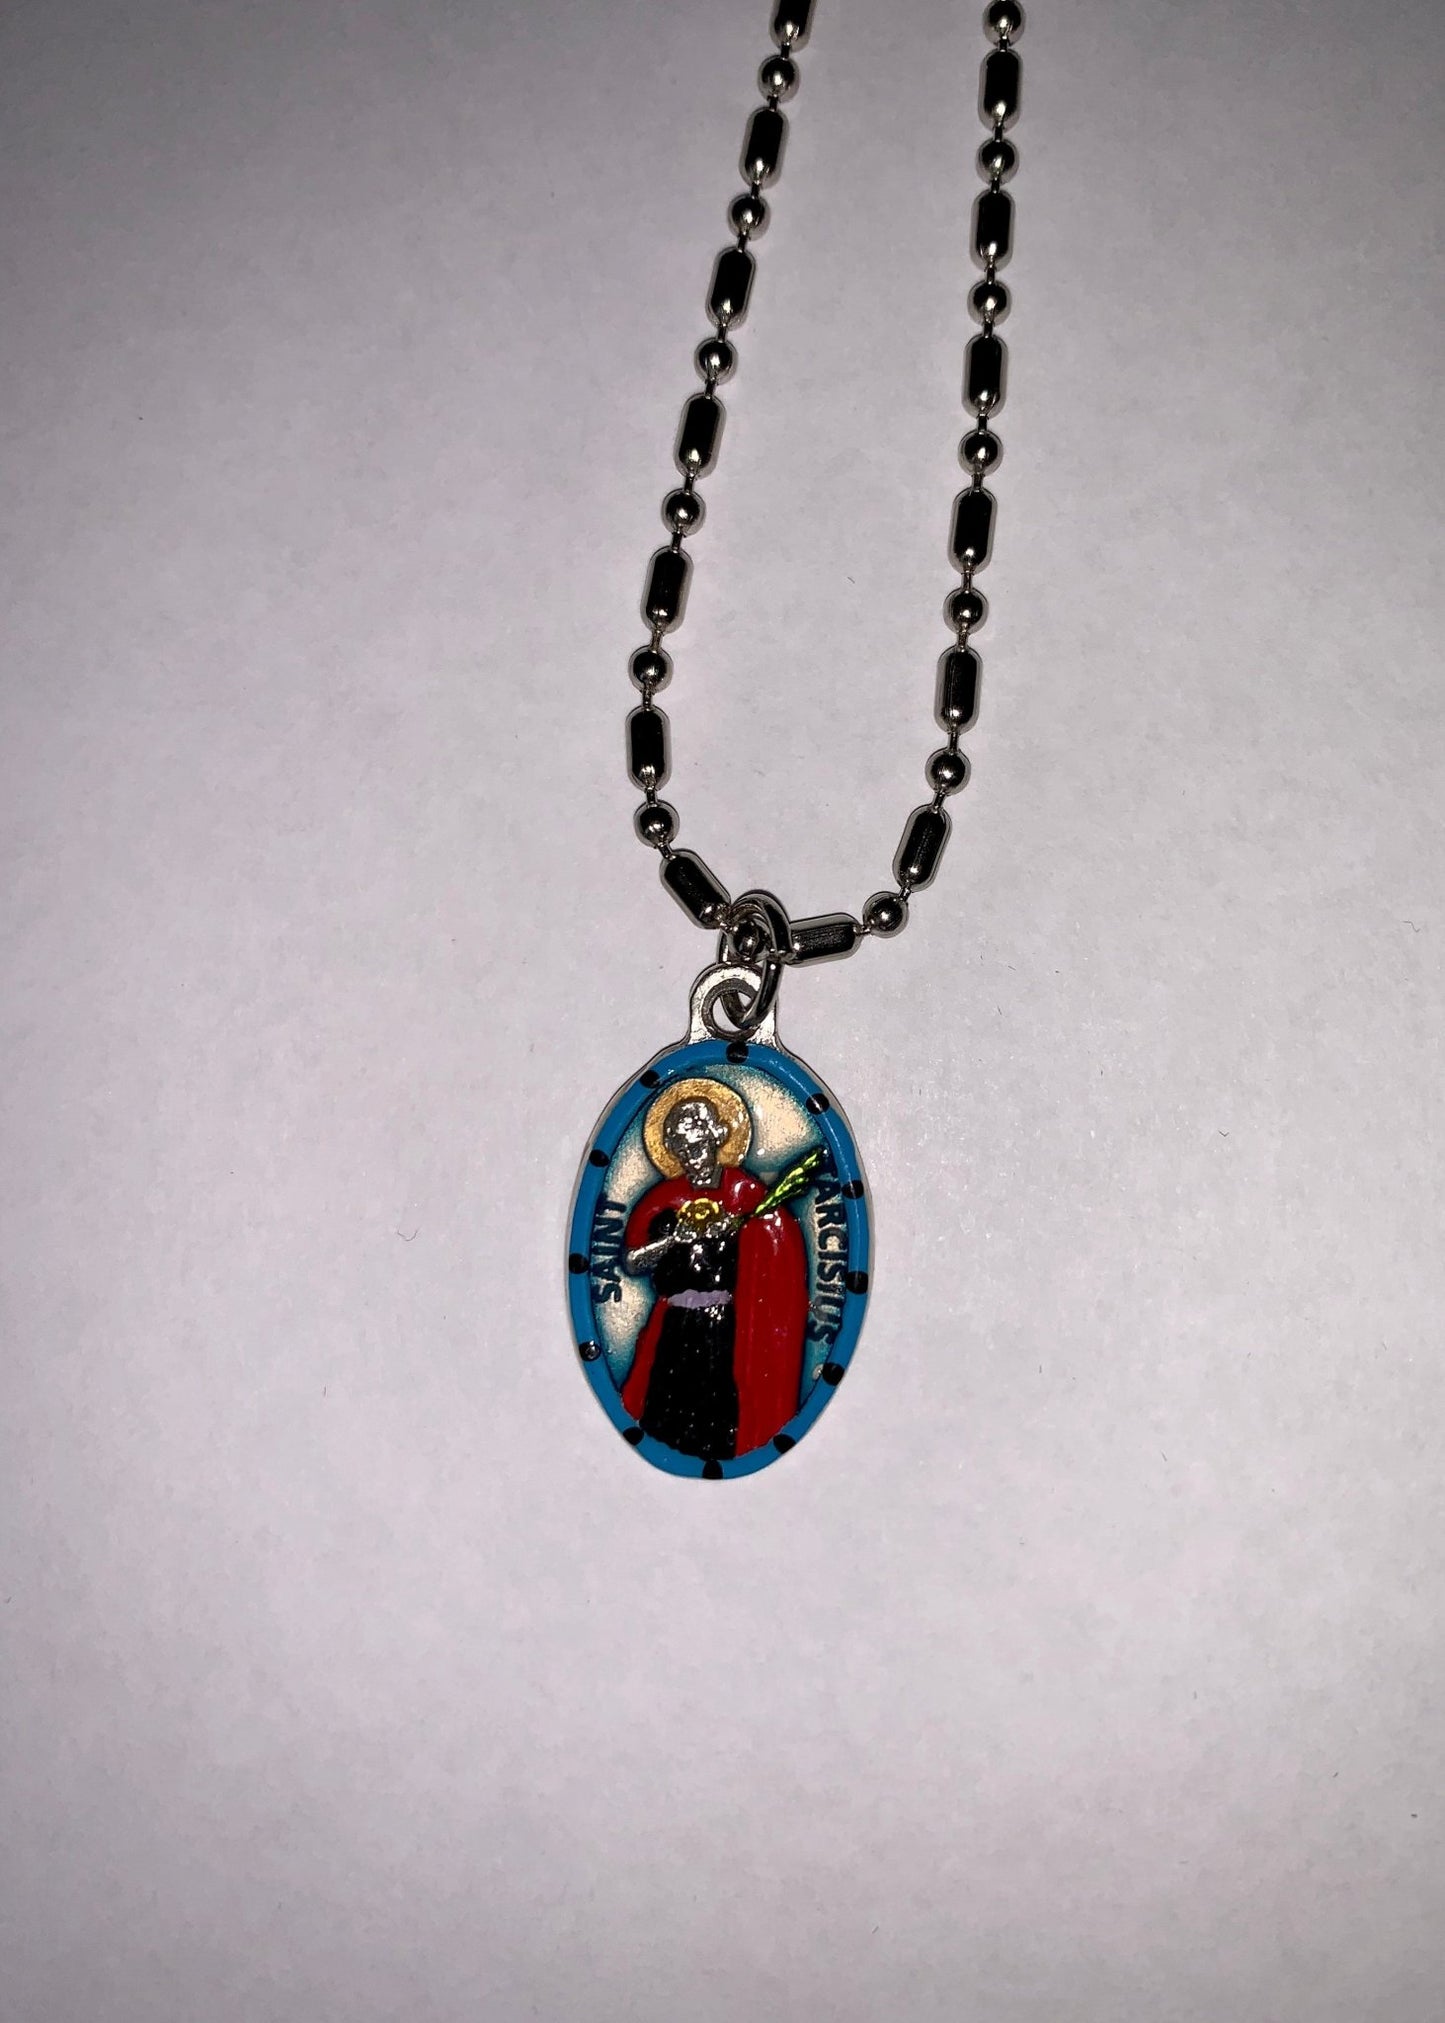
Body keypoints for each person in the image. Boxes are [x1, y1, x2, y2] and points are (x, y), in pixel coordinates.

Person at [621, 1081, 808, 1461]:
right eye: (680, 1149)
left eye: (696, 1147)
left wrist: (744, 1230)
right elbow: (633, 1260)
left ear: (716, 1139)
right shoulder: (663, 1199)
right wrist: (672, 1240)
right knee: (666, 1407)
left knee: (719, 1407)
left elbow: (777, 1244)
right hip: (674, 1326)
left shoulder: (745, 1194)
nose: (690, 1158)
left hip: (726, 1328)